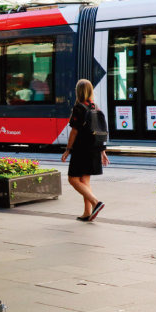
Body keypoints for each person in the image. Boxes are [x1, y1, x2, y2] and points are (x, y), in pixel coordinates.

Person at [61, 79, 109, 222]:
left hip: (82, 150)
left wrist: (68, 150)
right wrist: (103, 152)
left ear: (78, 91)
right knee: (85, 180)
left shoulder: (79, 108)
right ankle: (87, 213)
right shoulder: (95, 107)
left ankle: (95, 202)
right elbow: (100, 131)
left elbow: (74, 132)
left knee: (73, 179)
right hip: (95, 149)